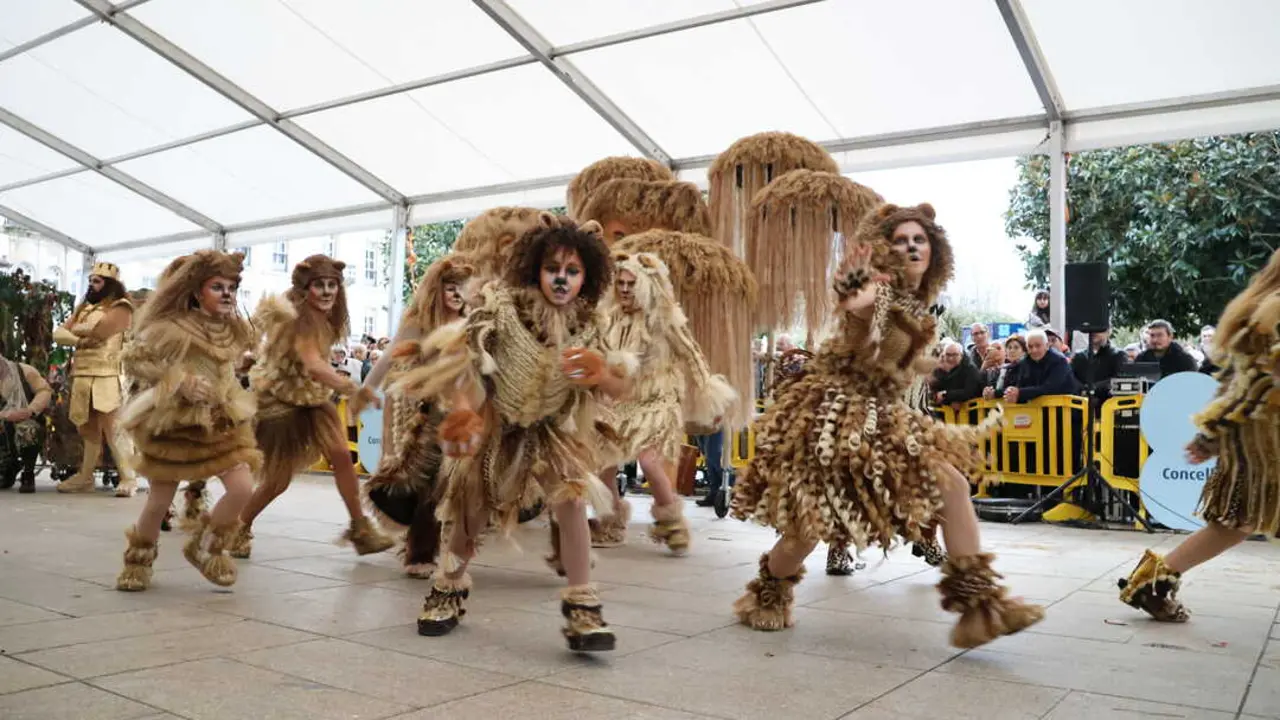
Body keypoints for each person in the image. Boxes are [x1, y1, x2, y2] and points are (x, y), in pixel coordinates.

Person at [732, 203, 1043, 648]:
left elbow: (888, 358)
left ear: (935, 250)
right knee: (807, 530)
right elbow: (851, 300)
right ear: (884, 249)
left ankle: (981, 607)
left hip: (885, 419)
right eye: (900, 240)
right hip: (837, 422)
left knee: (953, 486)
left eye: (919, 239)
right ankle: (769, 590)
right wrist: (854, 280)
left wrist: (918, 363)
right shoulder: (880, 293)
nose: (911, 246)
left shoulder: (917, 306)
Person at [392, 213, 634, 652]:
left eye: (573, 271)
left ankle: (583, 608)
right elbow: (464, 360)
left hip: (549, 430)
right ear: (533, 269)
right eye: (552, 269)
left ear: (588, 277)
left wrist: (602, 375)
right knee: (471, 511)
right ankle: (447, 588)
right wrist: (465, 411)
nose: (561, 279)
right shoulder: (502, 308)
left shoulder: (590, 325)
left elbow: (620, 385)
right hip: (496, 424)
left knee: (572, 500)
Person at [1118, 249, 1280, 622]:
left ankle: (1152, 583)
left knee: (1235, 524)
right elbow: (1255, 382)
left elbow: (1237, 381)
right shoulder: (1270, 312)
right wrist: (1214, 432)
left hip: (1257, 439)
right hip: (1263, 441)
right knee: (1235, 523)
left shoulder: (1259, 308)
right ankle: (1151, 583)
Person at [113, 251, 262, 591]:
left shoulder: (232, 329)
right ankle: (138, 560)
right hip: (176, 423)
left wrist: (235, 376)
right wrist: (180, 381)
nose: (227, 294)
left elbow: (224, 369)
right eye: (217, 287)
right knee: (159, 502)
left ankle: (207, 546)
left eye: (232, 287)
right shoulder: (171, 327)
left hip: (221, 420)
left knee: (242, 489)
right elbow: (135, 360)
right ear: (196, 291)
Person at [231, 255, 393, 559]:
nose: (328, 291)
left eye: (333, 285)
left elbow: (317, 369)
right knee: (277, 481)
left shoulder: (325, 318)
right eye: (320, 285)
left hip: (313, 399)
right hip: (281, 403)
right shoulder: (298, 319)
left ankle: (360, 528)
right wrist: (351, 388)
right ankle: (238, 526)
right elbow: (314, 364)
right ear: (306, 288)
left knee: (342, 456)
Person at [591, 250, 737, 551]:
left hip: (658, 401)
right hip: (619, 402)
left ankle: (671, 521)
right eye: (620, 283)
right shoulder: (609, 319)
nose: (625, 289)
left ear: (646, 285)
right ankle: (610, 522)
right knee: (602, 463)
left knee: (650, 462)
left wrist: (709, 394)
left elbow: (692, 354)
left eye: (631, 283)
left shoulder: (665, 319)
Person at [361, 254, 474, 577]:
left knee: (458, 484)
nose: (456, 295)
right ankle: (420, 551)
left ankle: (448, 546)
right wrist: (367, 389)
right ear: (436, 290)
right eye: (450, 287)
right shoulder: (418, 323)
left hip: (462, 410)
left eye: (462, 288)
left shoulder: (473, 322)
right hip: (422, 414)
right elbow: (388, 358)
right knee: (427, 483)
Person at [51, 262, 139, 496]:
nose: (91, 285)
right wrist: (80, 338)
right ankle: (85, 476)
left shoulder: (121, 306)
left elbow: (102, 332)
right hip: (81, 373)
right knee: (86, 427)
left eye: (97, 281)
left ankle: (128, 477)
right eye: (90, 281)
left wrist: (76, 331)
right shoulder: (84, 308)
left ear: (110, 284)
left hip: (107, 374)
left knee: (113, 427)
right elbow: (58, 333)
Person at [0, 350, 51, 493]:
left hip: (22, 420)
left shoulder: (23, 371)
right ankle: (8, 467)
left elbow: (44, 391)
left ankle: (28, 473)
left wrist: (30, 410)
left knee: (27, 430)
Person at [1003, 330, 1078, 403]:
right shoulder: (1024, 362)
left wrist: (1020, 393)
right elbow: (1019, 386)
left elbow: (1050, 388)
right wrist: (1010, 392)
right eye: (1030, 346)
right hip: (1037, 410)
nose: (1034, 350)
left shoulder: (1059, 361)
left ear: (1047, 345)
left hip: (1065, 410)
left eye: (1038, 346)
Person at [1070, 330, 1128, 400]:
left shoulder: (1119, 355)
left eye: (1100, 329)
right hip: (1081, 405)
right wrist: (1083, 390)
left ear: (1109, 331)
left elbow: (1120, 380)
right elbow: (1071, 378)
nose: (1094, 331)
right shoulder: (1079, 356)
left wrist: (1093, 388)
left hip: (1108, 405)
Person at [931, 340, 982, 407]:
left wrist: (946, 395)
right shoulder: (939, 370)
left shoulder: (970, 369)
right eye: (948, 355)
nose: (951, 358)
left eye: (954, 355)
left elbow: (970, 392)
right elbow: (935, 390)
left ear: (961, 355)